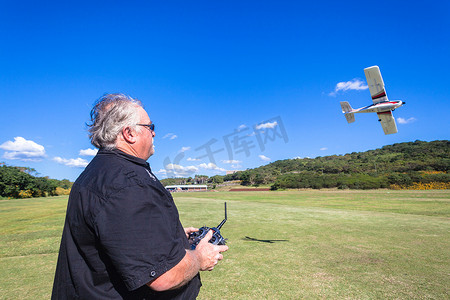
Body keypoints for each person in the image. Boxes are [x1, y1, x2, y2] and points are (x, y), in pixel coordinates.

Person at [52, 93, 228, 299]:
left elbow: (118, 235)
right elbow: (164, 276)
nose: (153, 134)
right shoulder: (128, 183)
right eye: (150, 127)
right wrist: (199, 258)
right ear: (129, 133)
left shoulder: (98, 173)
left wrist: (171, 234)